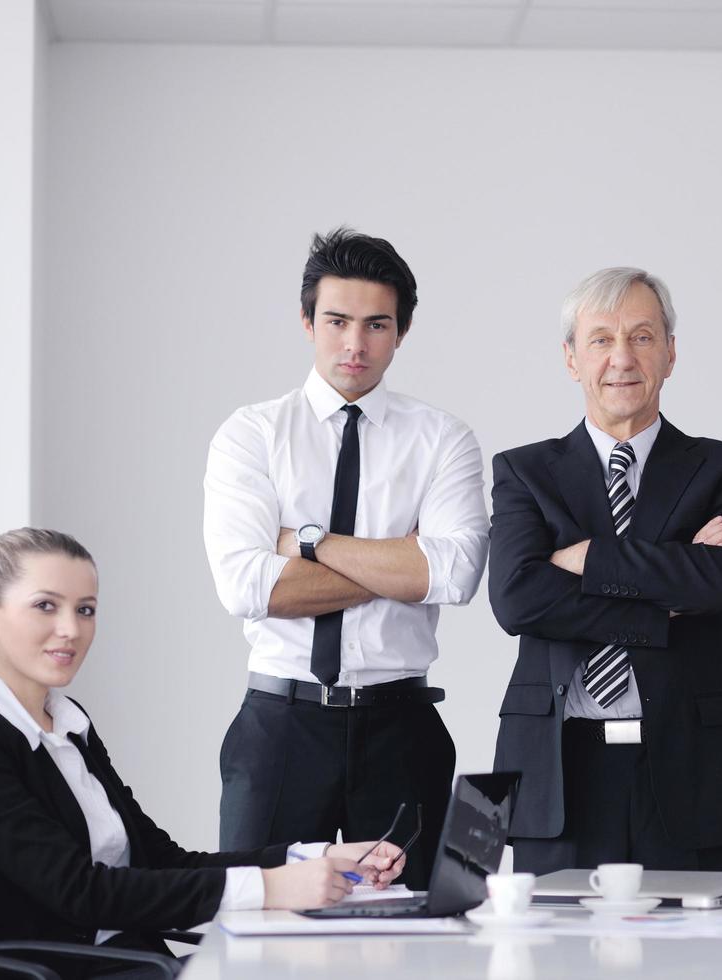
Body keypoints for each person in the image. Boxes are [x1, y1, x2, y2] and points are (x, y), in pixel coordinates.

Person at [0, 529, 402, 967]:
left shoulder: (66, 720)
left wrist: (312, 860)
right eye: (46, 605)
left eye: (85, 609)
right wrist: (270, 888)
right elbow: (79, 892)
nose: (71, 628)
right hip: (56, 967)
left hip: (130, 958)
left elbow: (159, 857)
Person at [202, 228, 488, 886]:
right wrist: (399, 565)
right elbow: (247, 585)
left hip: (402, 726)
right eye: (336, 321)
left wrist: (307, 543)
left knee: (411, 937)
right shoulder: (252, 435)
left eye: (376, 325)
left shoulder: (442, 440)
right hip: (280, 724)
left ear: (401, 332)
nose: (354, 344)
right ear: (306, 321)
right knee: (261, 920)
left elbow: (453, 572)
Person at [488, 267, 722, 874]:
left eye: (642, 337)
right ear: (571, 358)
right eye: (601, 340)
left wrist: (587, 558)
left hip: (695, 769)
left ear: (670, 355)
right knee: (554, 962)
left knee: (706, 965)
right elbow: (518, 601)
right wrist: (667, 588)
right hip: (557, 773)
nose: (622, 358)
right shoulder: (524, 472)